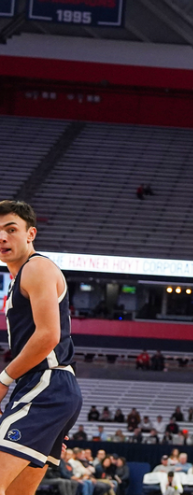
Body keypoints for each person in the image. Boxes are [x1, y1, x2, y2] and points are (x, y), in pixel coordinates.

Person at [0, 201, 83, 494]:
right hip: (51, 388)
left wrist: (3, 379)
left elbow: (49, 336)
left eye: (11, 229)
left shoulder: (36, 267)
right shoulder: (20, 278)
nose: (2, 237)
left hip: (46, 384)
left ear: (30, 234)